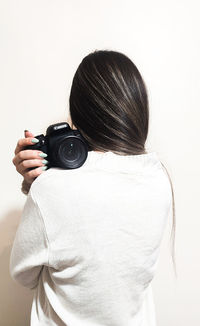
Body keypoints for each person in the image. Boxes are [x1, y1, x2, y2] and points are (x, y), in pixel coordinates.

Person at [10, 50, 176, 326]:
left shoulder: (51, 189)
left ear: (78, 112)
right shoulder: (158, 179)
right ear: (137, 109)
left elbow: (23, 275)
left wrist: (35, 185)